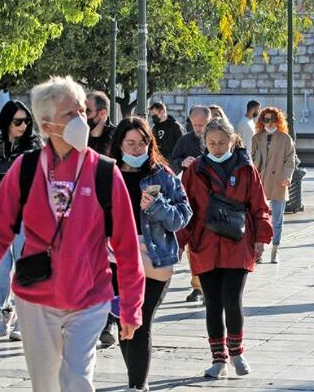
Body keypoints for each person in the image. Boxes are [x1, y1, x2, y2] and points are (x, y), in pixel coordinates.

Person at [0, 76, 145, 392]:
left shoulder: (105, 171)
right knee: (46, 385)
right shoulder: (25, 169)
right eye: (70, 114)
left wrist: (132, 305)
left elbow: (126, 243)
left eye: (82, 111)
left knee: (78, 381)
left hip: (90, 297)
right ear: (47, 125)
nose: (80, 119)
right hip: (36, 298)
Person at [177, 118, 273, 378]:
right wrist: (178, 242)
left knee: (232, 300)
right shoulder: (194, 170)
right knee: (212, 303)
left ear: (232, 140)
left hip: (237, 241)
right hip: (204, 242)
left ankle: (237, 352)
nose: (217, 147)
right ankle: (218, 358)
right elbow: (185, 209)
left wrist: (261, 238)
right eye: (211, 143)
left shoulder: (246, 169)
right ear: (204, 143)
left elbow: (259, 205)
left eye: (221, 142)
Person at [109, 117, 192, 392]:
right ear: (119, 144)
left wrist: (158, 207)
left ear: (150, 144)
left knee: (141, 321)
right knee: (124, 321)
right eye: (130, 143)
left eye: (142, 143)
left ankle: (137, 386)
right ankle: (135, 379)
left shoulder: (162, 175)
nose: (136, 149)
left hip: (153, 257)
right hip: (113, 257)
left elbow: (182, 217)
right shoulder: (106, 174)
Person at [0, 100, 44, 341]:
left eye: (26, 121)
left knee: (24, 264)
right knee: (1, 268)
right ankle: (6, 311)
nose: (23, 126)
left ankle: (24, 315)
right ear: (6, 121)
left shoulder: (35, 144)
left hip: (27, 214)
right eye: (17, 121)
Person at [169, 105, 211, 303]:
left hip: (212, 199)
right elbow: (172, 160)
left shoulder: (216, 138)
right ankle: (197, 286)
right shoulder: (186, 140)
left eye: (202, 125)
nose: (198, 129)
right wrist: (182, 162)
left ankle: (210, 283)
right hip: (189, 196)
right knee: (193, 242)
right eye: (195, 125)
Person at [251, 107, 296, 264]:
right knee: (259, 218)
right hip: (260, 182)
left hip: (278, 182)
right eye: (265, 120)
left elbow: (291, 160)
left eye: (272, 119)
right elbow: (252, 160)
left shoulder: (285, 138)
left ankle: (275, 250)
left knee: (277, 220)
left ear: (278, 120)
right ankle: (259, 250)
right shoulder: (257, 138)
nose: (269, 123)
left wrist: (286, 177)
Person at [86, 90, 117, 155]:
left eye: (87, 112)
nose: (83, 116)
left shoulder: (117, 137)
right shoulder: (79, 137)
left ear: (102, 113)